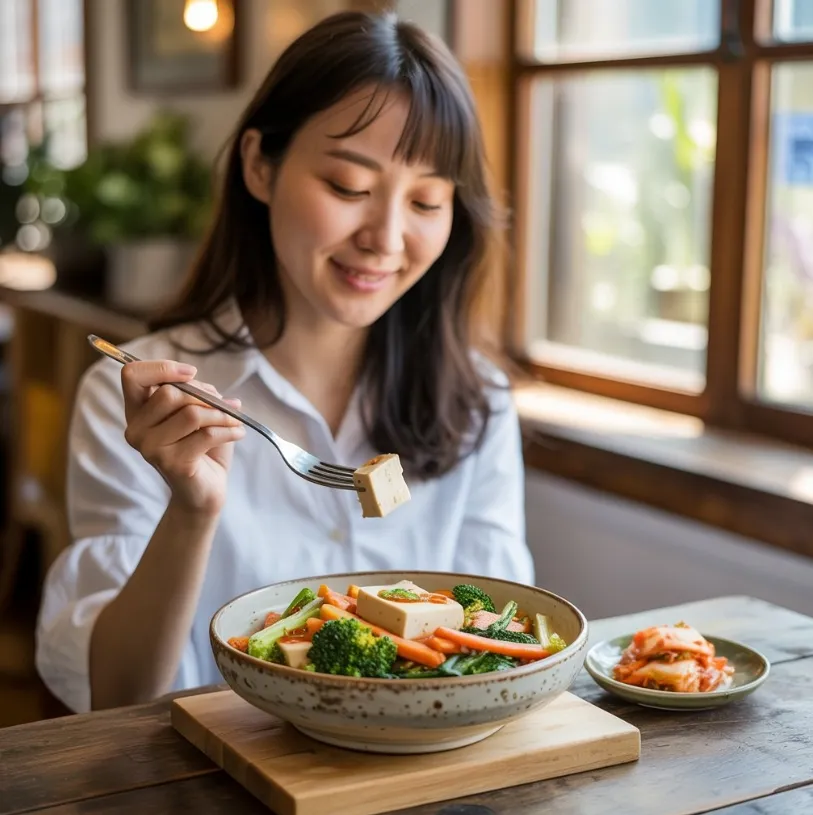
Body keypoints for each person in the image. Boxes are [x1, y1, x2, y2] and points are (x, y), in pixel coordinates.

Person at [35, 10, 535, 714]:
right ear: (259, 165)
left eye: (425, 200)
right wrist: (191, 509)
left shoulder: (477, 401)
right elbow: (119, 695)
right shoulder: (137, 397)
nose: (384, 238)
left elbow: (496, 655)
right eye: (348, 187)